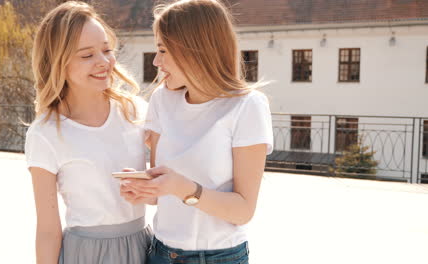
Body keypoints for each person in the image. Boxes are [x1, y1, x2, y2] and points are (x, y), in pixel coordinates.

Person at [120, 0, 274, 263]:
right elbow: (162, 195)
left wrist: (183, 188)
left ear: (195, 49)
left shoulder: (248, 106)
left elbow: (243, 210)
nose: (156, 61)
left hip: (219, 256)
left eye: (163, 50)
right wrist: (145, 190)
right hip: (160, 253)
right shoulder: (161, 100)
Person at [25, 1, 151, 263]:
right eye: (87, 55)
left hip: (145, 248)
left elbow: (169, 189)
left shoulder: (136, 112)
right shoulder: (45, 133)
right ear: (58, 63)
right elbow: (48, 229)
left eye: (107, 50)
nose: (104, 62)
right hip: (85, 255)